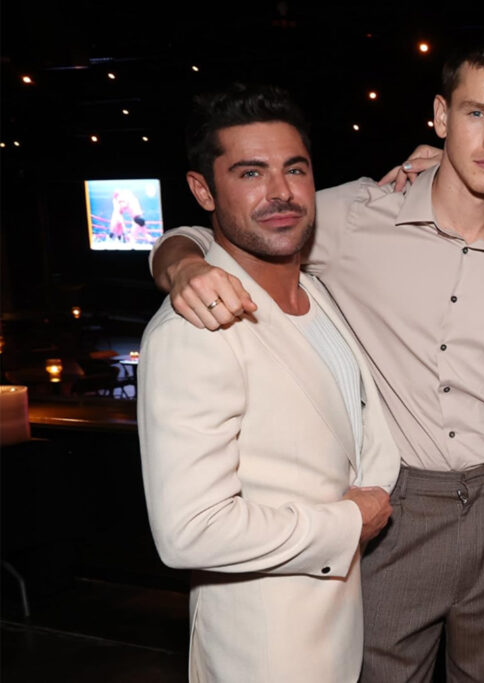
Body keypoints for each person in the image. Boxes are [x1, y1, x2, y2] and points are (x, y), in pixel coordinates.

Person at [148, 49, 484, 682]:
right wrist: (181, 263)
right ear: (441, 116)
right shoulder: (353, 216)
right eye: (476, 113)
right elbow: (239, 227)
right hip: (397, 504)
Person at [138, 84, 398, 682]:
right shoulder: (194, 329)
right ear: (203, 190)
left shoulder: (317, 291)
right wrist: (347, 523)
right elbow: (189, 532)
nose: (280, 192)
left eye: (294, 170)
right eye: (251, 173)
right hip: (263, 653)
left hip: (338, 631)